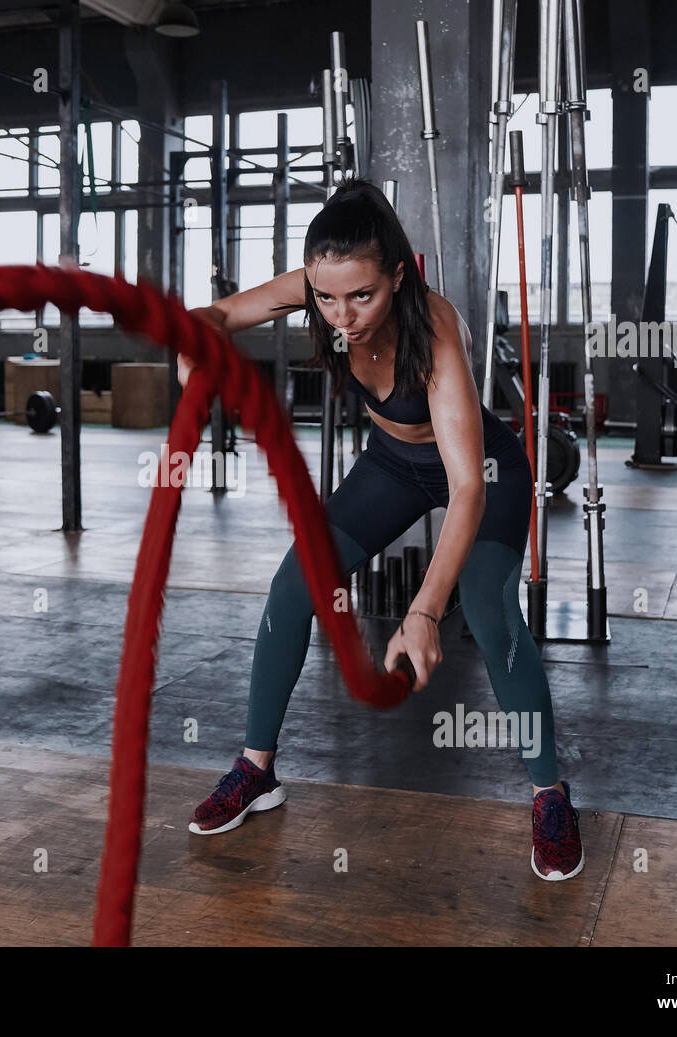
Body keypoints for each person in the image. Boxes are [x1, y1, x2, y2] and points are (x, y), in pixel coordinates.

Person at [179, 177, 583, 882]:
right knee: (291, 587)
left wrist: (425, 610)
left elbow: (464, 491)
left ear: (398, 276)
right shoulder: (322, 289)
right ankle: (257, 769)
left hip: (482, 473)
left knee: (488, 613)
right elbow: (212, 313)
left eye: (362, 296)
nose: (343, 315)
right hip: (392, 466)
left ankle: (550, 794)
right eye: (327, 297)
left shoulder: (438, 331)